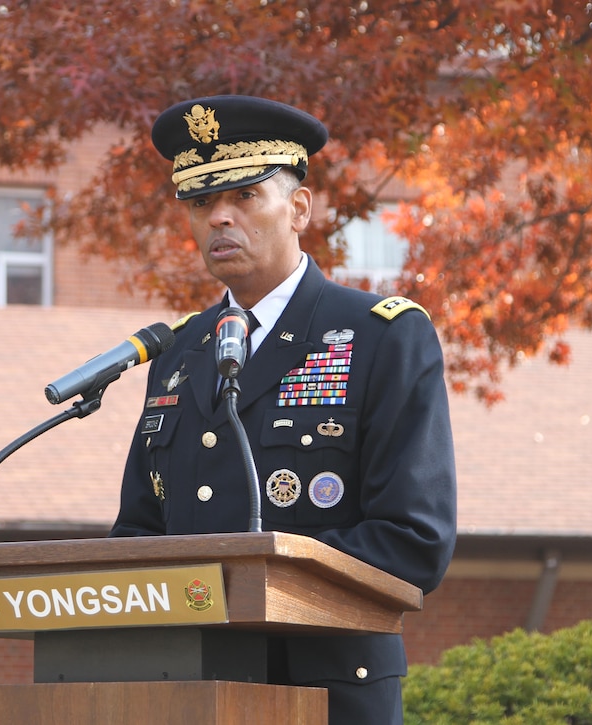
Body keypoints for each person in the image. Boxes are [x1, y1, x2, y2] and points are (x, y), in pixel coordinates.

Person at [110, 95, 457, 724]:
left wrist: (254, 578)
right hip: (184, 690)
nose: (219, 218)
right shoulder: (179, 351)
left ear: (299, 208)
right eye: (200, 203)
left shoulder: (379, 335)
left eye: (244, 197)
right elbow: (138, 530)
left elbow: (414, 540)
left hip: (326, 696)